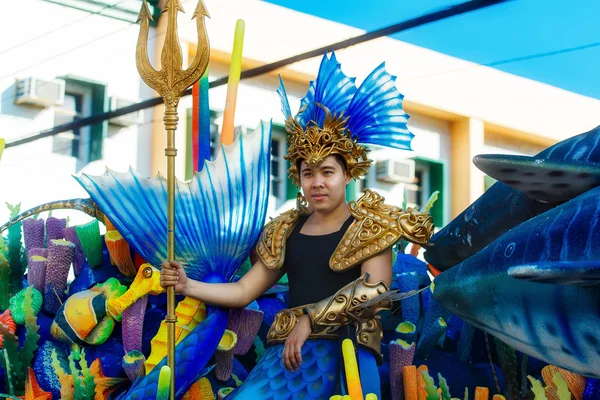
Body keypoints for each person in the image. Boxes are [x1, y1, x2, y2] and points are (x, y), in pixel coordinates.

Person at [161, 52, 434, 399]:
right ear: (299, 179)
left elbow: (374, 293)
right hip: (285, 358)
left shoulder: (372, 225)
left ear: (347, 174)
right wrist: (188, 285)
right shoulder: (286, 229)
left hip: (343, 356)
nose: (317, 182)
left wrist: (310, 320)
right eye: (309, 173)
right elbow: (245, 291)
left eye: (327, 172)